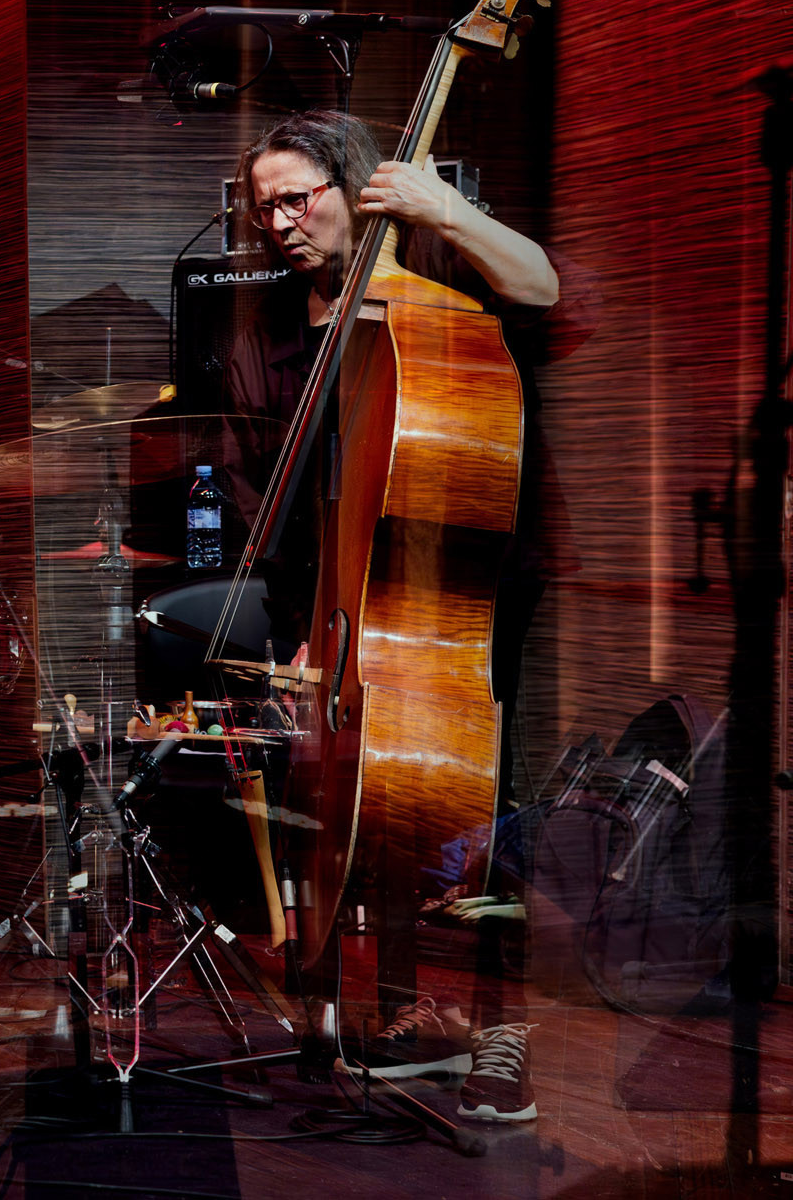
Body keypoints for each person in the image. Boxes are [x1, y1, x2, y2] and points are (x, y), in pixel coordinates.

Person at [226, 110, 598, 1124]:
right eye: (264, 207)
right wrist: (300, 627)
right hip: (346, 601)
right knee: (380, 804)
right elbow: (277, 494)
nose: (279, 222)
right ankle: (402, 1008)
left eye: (296, 198)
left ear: (354, 187)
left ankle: (503, 1029)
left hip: (462, 583)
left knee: (479, 805)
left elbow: (554, 291)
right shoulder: (271, 330)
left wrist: (445, 209)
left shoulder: (439, 266)